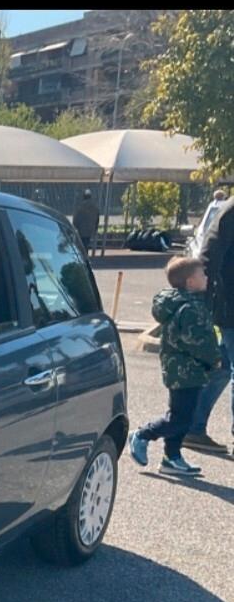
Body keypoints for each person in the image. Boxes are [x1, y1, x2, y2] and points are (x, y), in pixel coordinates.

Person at [129, 255, 223, 476]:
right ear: (191, 281)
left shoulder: (187, 303)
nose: (207, 277)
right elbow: (197, 341)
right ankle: (143, 434)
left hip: (185, 369)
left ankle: (172, 457)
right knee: (181, 417)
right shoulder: (190, 308)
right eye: (202, 274)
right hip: (186, 370)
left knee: (182, 414)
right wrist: (214, 358)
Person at [184, 193, 234, 453]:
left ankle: (192, 427)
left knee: (223, 368)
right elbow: (209, 254)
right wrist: (201, 300)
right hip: (230, 304)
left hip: (226, 304)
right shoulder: (232, 209)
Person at [72, 189, 100, 255]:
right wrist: (95, 228)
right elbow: (97, 219)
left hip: (81, 229)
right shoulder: (95, 207)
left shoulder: (80, 206)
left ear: (84, 196)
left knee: (82, 245)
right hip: (90, 229)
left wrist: (75, 226)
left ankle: (84, 257)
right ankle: (85, 256)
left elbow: (76, 219)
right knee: (86, 243)